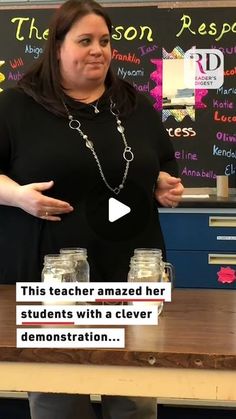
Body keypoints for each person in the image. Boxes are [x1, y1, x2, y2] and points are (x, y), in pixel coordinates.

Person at [0, 0, 184, 418]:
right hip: (53, 280)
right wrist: (17, 196)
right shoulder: (15, 106)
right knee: (59, 397)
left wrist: (162, 183)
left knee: (135, 397)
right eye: (85, 40)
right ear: (57, 47)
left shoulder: (133, 104)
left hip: (132, 275)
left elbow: (163, 162)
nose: (98, 49)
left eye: (104, 40)